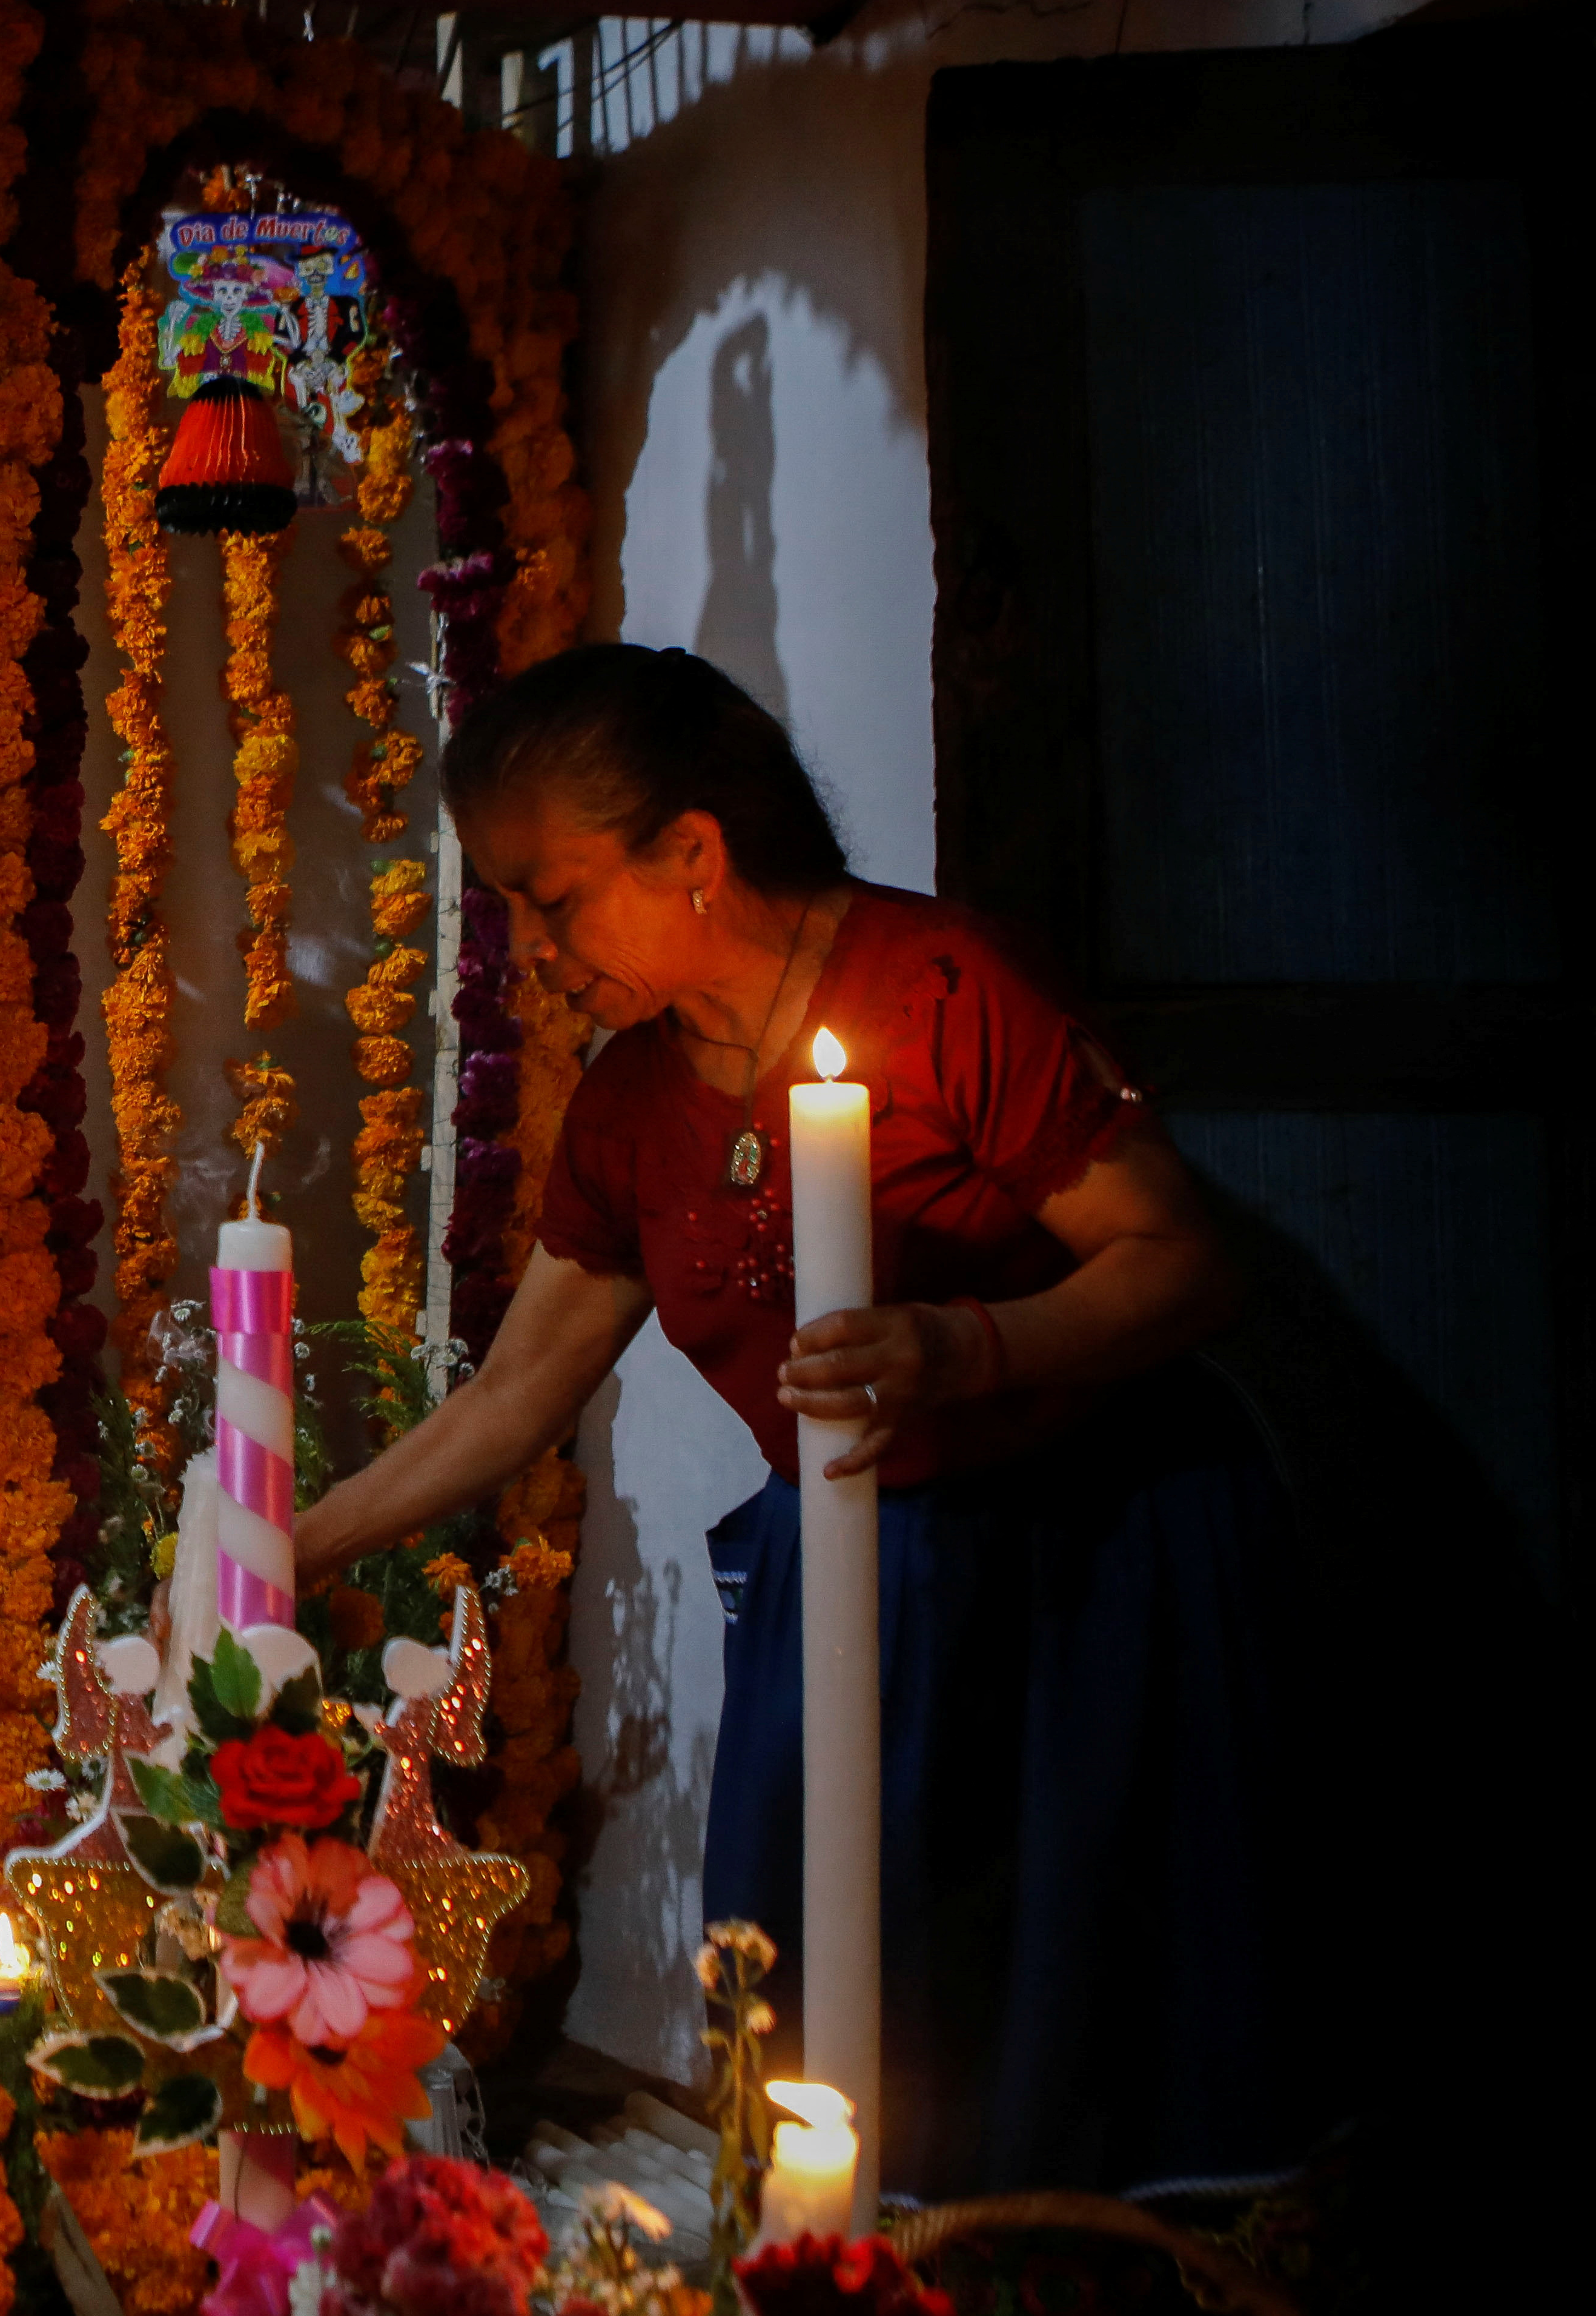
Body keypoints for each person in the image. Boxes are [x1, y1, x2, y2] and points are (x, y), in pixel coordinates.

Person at [293, 643, 1325, 2202]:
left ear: (693, 853)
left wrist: (968, 1345)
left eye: (549, 895)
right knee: (807, 1985)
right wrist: (293, 1545)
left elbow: (1181, 1263)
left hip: (1089, 1564)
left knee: (1066, 1998)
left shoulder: (942, 993)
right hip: (846, 1577)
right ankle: (843, 2310)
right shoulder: (638, 1103)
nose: (525, 948)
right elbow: (517, 1393)